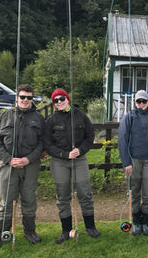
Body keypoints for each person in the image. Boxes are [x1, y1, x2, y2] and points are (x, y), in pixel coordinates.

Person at [0, 84, 44, 251]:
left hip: (30, 165)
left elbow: (43, 142)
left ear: (32, 99)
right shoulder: (5, 116)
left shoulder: (39, 118)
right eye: (22, 97)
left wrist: (28, 159)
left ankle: (30, 232)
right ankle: (2, 235)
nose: (26, 100)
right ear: (17, 98)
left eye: (29, 97)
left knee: (29, 199)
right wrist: (8, 159)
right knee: (7, 201)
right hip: (8, 166)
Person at [43, 89, 100, 243]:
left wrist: (80, 150)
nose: (59, 102)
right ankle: (66, 230)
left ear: (67, 99)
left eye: (62, 99)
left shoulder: (80, 115)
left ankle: (90, 226)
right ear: (53, 104)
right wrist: (64, 154)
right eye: (55, 100)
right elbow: (47, 143)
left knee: (85, 193)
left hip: (79, 160)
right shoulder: (51, 120)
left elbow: (90, 136)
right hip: (59, 161)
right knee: (63, 196)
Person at [118, 90, 148, 236]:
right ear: (135, 102)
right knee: (134, 193)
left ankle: (146, 221)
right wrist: (126, 162)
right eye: (139, 102)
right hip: (133, 161)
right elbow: (122, 141)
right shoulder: (128, 117)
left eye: (144, 101)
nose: (141, 104)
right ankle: (136, 222)